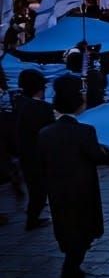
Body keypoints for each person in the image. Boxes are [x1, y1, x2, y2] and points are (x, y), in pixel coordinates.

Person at [37, 74, 109, 278]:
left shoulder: (45, 133)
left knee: (66, 225)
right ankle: (71, 268)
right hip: (82, 187)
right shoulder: (84, 131)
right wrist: (105, 153)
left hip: (57, 188)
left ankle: (71, 261)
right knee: (83, 226)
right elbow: (98, 157)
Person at [13, 68, 54, 230]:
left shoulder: (18, 104)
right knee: (39, 188)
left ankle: (33, 216)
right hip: (39, 154)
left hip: (25, 153)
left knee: (35, 187)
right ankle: (32, 218)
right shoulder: (42, 108)